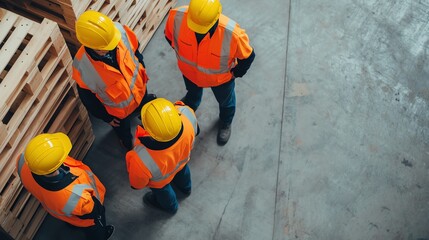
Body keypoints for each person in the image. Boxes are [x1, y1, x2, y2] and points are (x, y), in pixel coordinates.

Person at [164, 0, 255, 146]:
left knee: (226, 102)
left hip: (220, 81)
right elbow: (169, 36)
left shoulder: (232, 34)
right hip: (189, 73)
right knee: (192, 92)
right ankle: (192, 101)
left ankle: (226, 121)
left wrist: (235, 73)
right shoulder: (176, 16)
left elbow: (248, 57)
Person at [72, 10, 156, 150]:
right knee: (123, 130)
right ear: (89, 45)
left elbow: (135, 50)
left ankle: (144, 116)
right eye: (104, 49)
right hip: (118, 114)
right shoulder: (82, 67)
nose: (111, 47)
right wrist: (107, 118)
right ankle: (126, 142)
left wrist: (142, 68)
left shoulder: (119, 32)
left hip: (140, 91)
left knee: (145, 108)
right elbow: (88, 100)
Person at [16, 133, 114, 239]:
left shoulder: (23, 162)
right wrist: (99, 211)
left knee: (73, 218)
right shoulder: (74, 194)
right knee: (95, 227)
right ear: (56, 165)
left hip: (62, 211)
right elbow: (93, 212)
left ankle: (73, 224)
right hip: (87, 216)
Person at [125, 98, 199, 214]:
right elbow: (196, 130)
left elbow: (138, 183)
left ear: (149, 132)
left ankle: (171, 207)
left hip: (161, 182)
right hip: (182, 163)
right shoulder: (186, 114)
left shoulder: (140, 157)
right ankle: (186, 189)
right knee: (183, 172)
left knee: (163, 192)